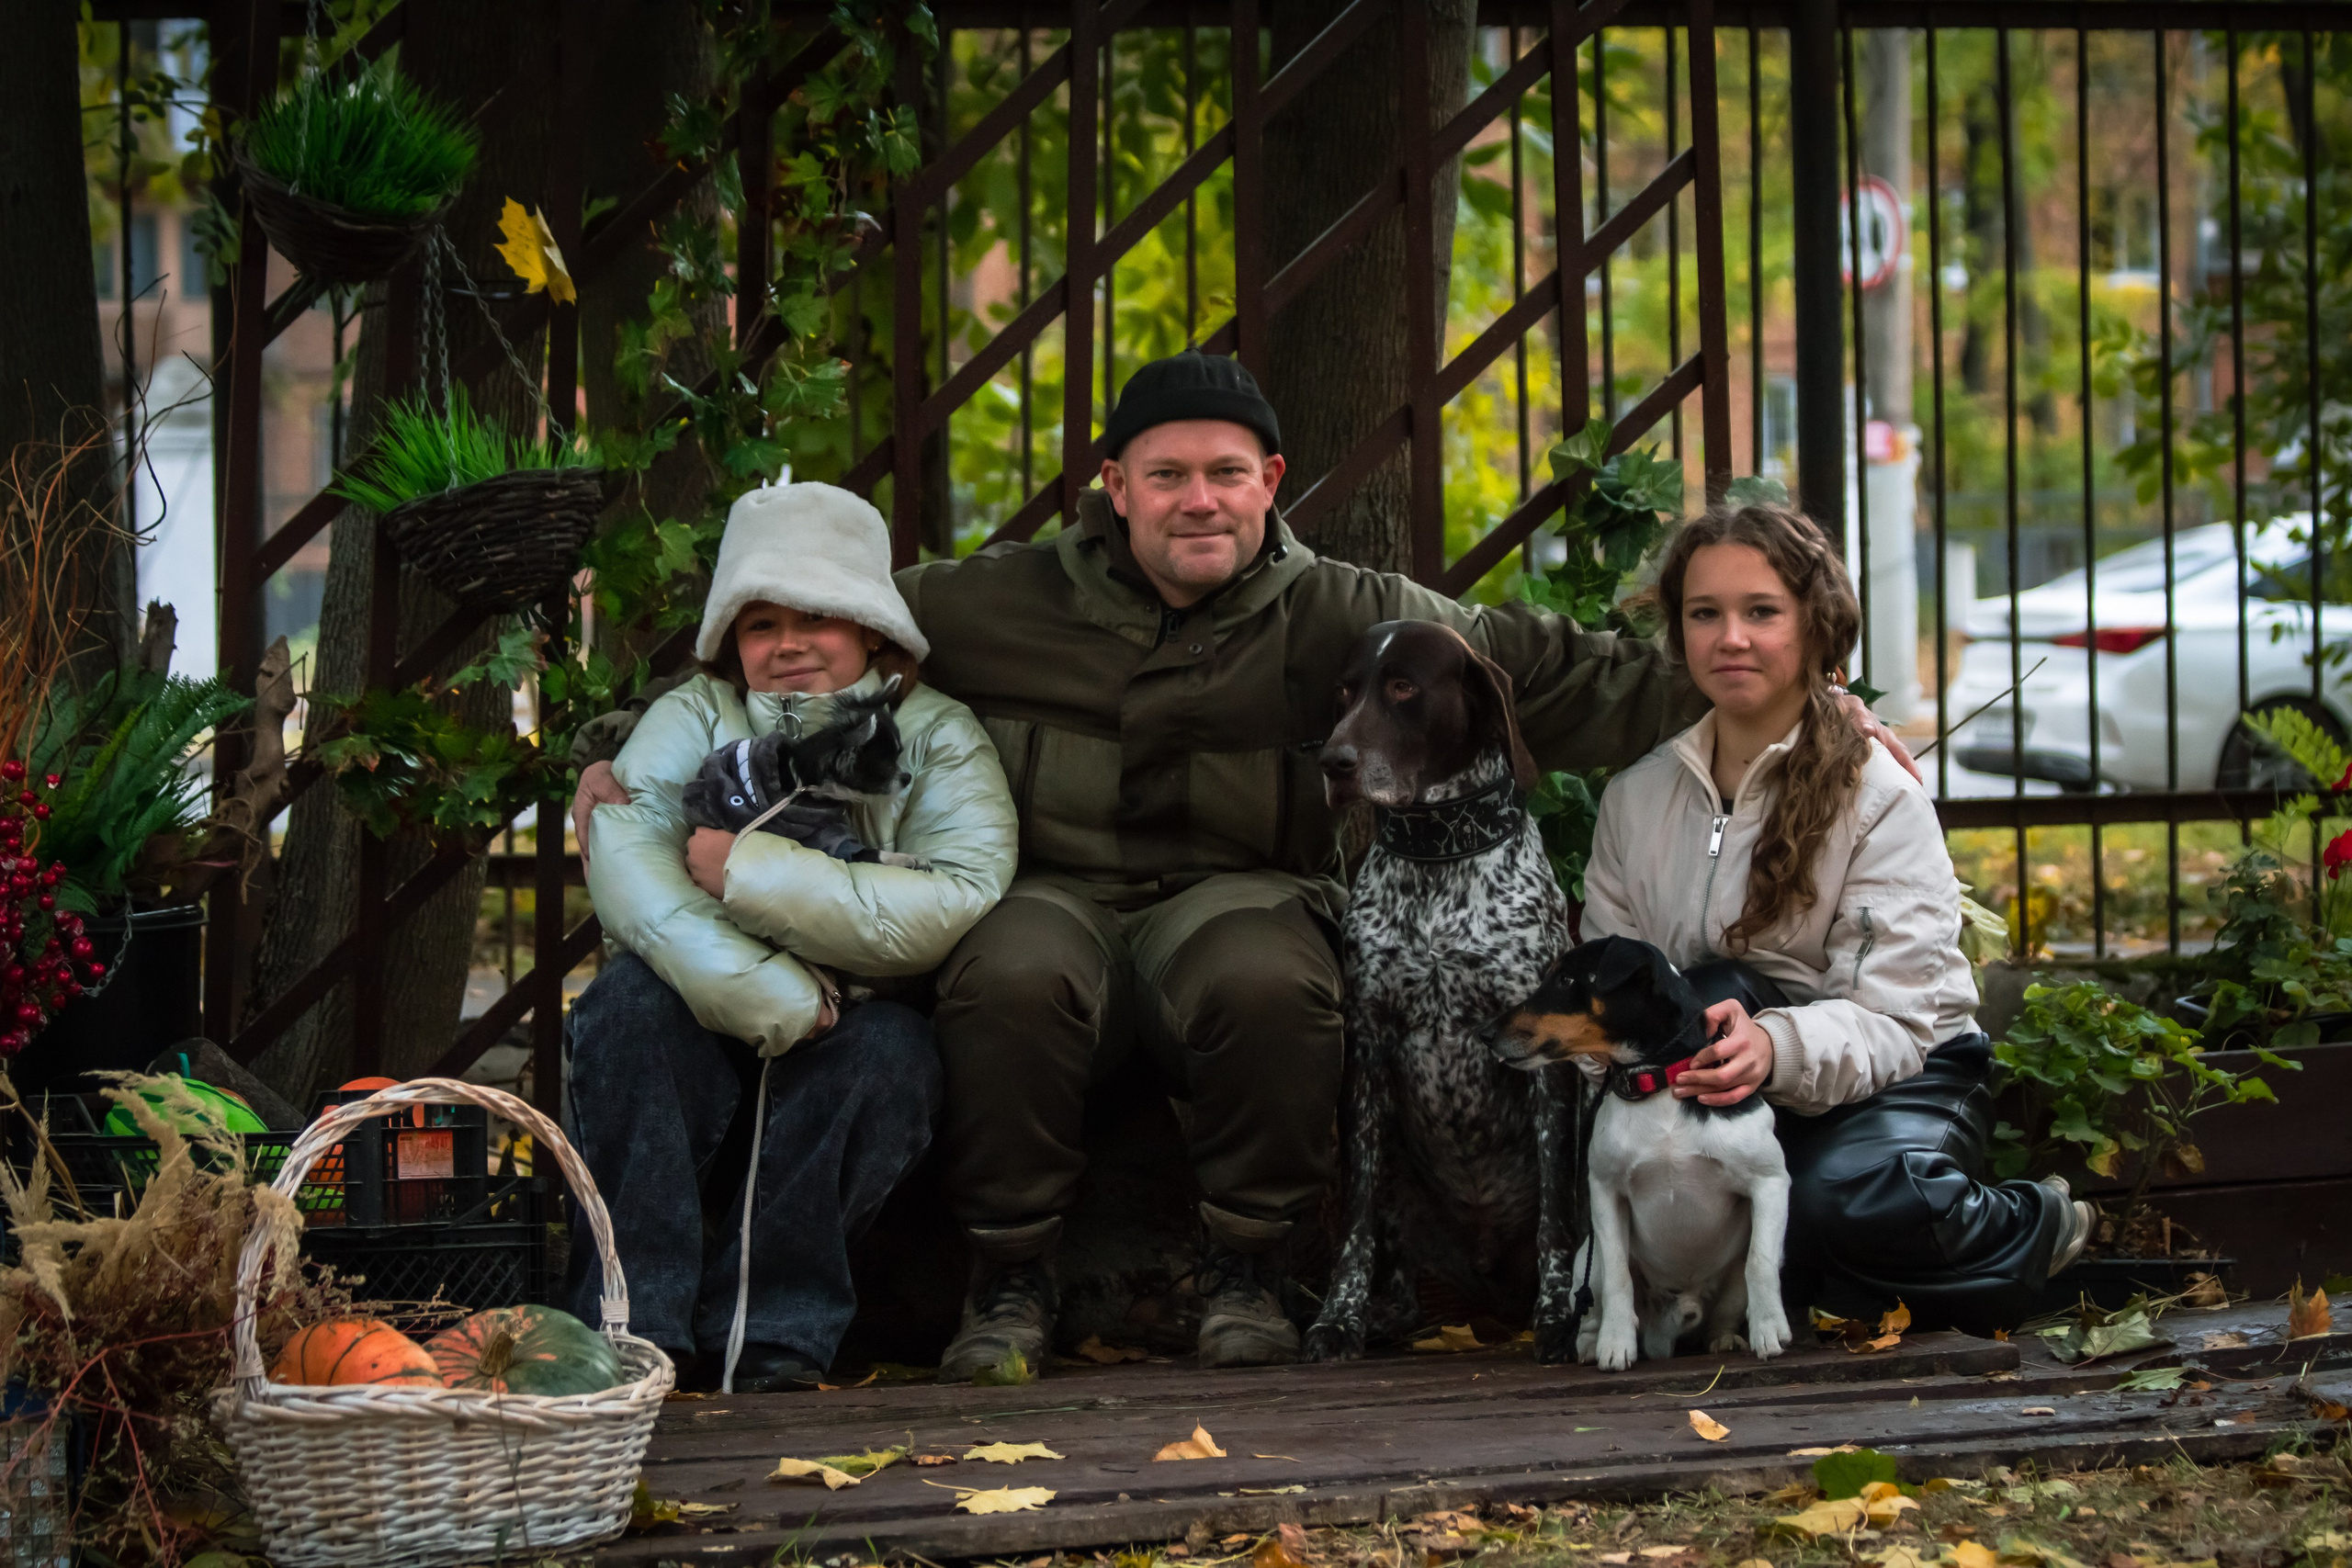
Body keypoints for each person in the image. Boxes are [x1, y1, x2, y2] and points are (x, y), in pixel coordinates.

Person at [573, 352, 1918, 1378]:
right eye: (1165, 474)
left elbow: (1544, 670)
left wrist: (1792, 690)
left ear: (1271, 482)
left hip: (1239, 898)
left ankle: (1250, 1270)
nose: (1198, 499)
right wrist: (613, 745)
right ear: (1114, 487)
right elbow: (808, 633)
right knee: (1011, 968)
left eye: (1226, 472)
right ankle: (1009, 1278)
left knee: (1270, 975)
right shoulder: (990, 600)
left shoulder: (1342, 608)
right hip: (1055, 898)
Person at [1577, 502, 2092, 1335]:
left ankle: (2031, 1222)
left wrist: (1774, 1046)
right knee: (1757, 1220)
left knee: (1837, 1206)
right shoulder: (1635, 801)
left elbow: (1898, 1018)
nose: (1730, 637)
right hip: (1715, 1082)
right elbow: (1610, 1000)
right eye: (1704, 613)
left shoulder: (1878, 796)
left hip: (1904, 1067)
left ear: (1815, 626)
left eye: (1761, 612)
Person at [567, 480, 1017, 1392]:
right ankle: (631, 1331)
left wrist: (748, 870)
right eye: (760, 624)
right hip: (703, 999)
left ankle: (772, 1332)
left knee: (892, 1057)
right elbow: (631, 855)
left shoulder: (938, 736)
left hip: (857, 1012)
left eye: (818, 616)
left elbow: (957, 892)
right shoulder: (695, 715)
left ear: (873, 630)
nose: (788, 644)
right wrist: (764, 990)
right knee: (625, 1009)